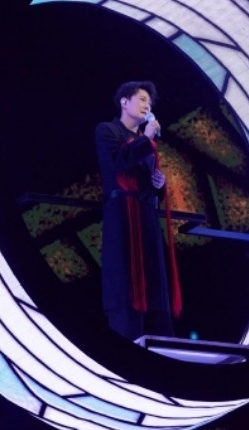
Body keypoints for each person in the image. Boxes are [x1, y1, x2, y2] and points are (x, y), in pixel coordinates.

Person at [95, 80, 182, 341]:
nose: (148, 105)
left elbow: (147, 180)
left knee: (155, 284)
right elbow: (116, 162)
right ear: (124, 101)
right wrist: (146, 138)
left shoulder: (147, 142)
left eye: (150, 102)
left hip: (146, 216)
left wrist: (159, 184)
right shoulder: (107, 130)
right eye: (142, 99)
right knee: (125, 283)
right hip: (122, 214)